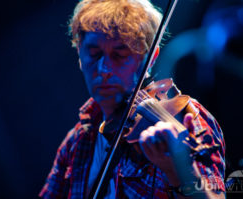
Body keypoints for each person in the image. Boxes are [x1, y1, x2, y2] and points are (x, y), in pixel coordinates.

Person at [39, 0, 225, 198]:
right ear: (79, 55)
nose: (104, 70)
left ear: (152, 57)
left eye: (119, 55)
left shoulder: (187, 119)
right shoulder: (78, 141)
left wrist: (180, 171)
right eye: (94, 54)